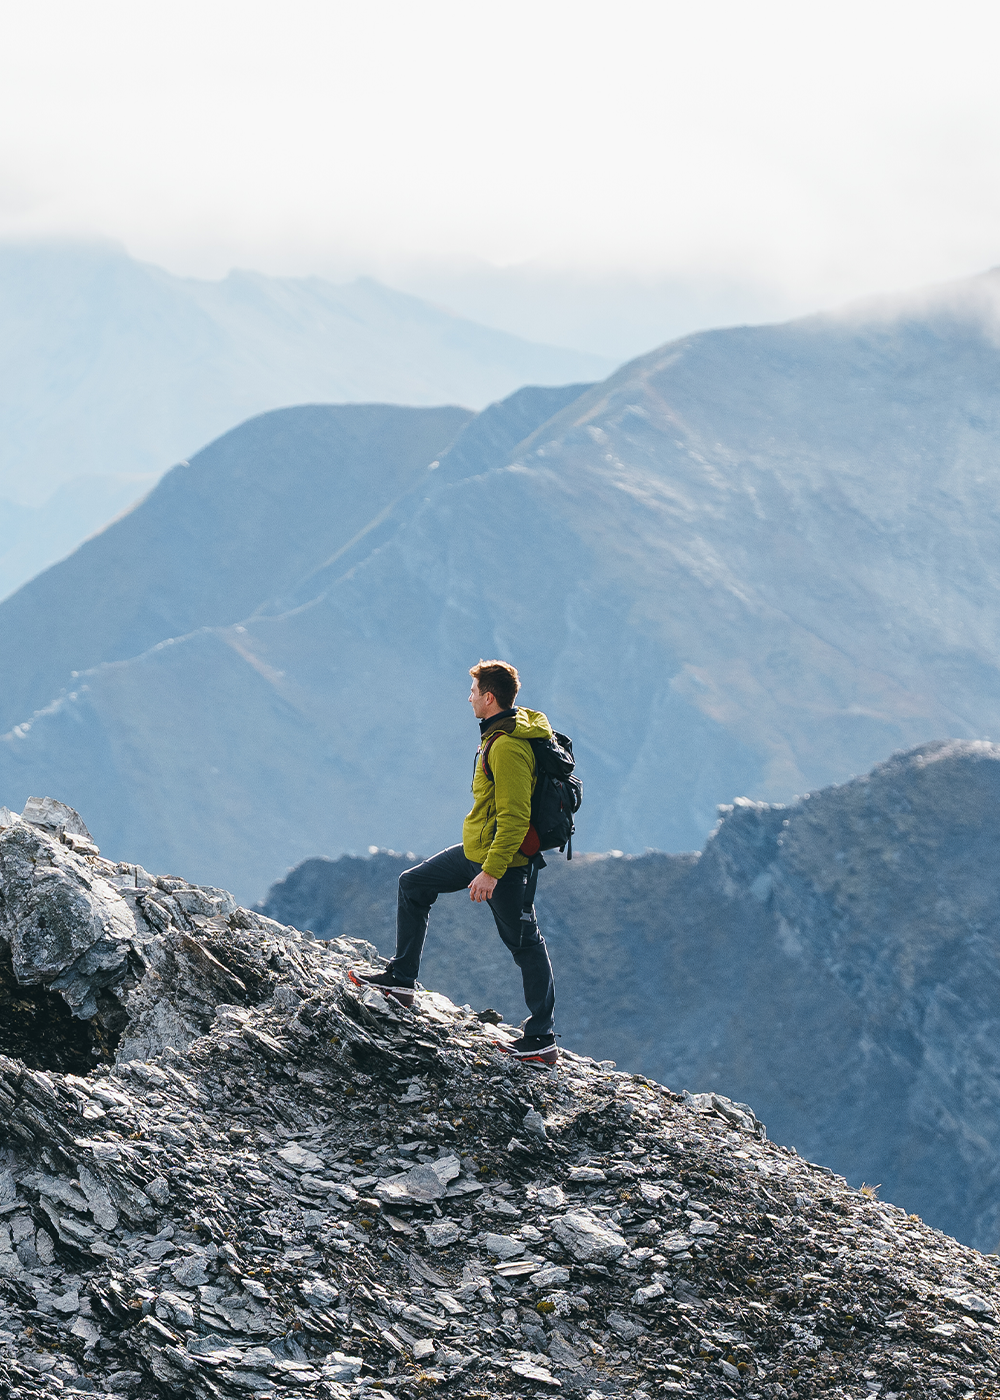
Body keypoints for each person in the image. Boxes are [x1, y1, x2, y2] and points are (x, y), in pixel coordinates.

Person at [350, 659, 557, 1066]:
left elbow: (516, 818)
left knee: (525, 944)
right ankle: (401, 980)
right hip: (475, 851)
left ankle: (541, 1039)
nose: (469, 698)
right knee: (413, 884)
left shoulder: (508, 747)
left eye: (474, 692)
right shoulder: (495, 736)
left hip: (503, 864)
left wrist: (491, 873)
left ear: (490, 698)